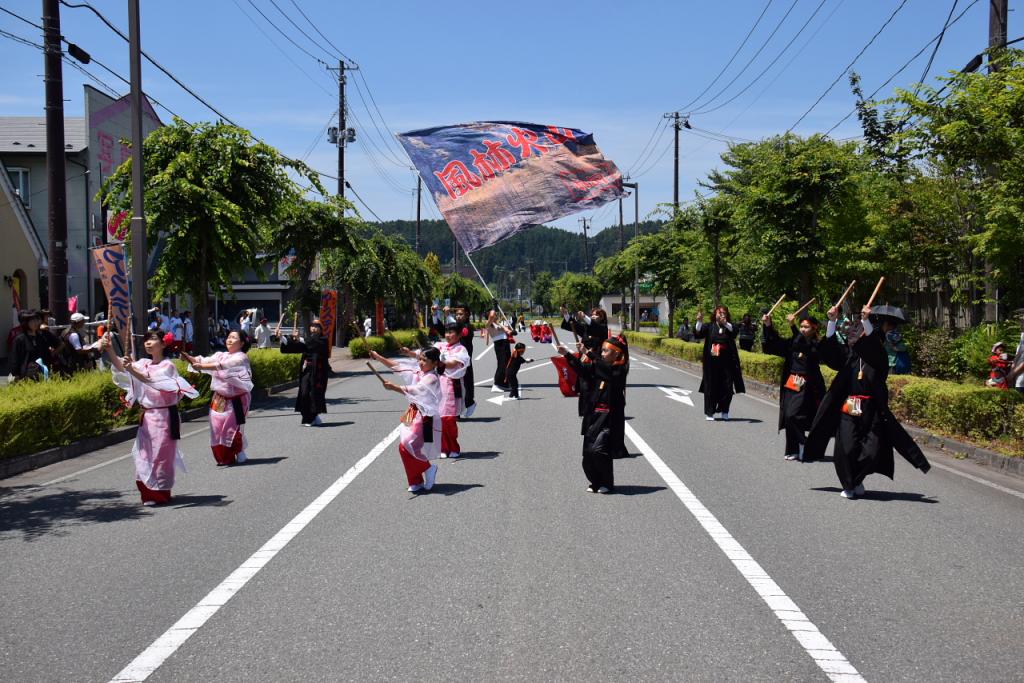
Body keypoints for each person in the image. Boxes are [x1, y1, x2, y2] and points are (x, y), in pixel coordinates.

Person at [805, 304, 931, 499]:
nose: (857, 336)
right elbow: (831, 353)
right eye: (856, 333)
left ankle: (856, 479)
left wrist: (866, 321)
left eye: (862, 333)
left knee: (871, 452)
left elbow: (872, 343)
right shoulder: (849, 356)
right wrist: (832, 322)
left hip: (872, 409)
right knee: (846, 447)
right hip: (850, 406)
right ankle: (849, 484)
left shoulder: (879, 356)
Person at [100, 329, 199, 506]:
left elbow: (152, 380)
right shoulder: (143, 363)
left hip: (165, 416)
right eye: (146, 339)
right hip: (147, 416)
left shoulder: (168, 366)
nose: (148, 342)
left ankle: (160, 492)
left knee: (161, 455)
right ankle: (147, 493)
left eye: (152, 339)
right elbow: (122, 368)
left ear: (163, 343)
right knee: (144, 453)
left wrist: (132, 369)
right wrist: (110, 350)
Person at [557, 335, 629, 493]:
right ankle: (595, 482)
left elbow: (606, 370)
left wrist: (589, 353)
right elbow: (583, 370)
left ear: (617, 353)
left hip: (608, 418)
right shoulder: (599, 367)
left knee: (599, 450)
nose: (602, 353)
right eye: (601, 351)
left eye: (605, 351)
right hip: (593, 416)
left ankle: (607, 483)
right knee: (588, 454)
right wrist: (567, 354)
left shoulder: (619, 370)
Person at [368, 348, 442, 492]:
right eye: (420, 359)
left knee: (407, 444)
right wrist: (378, 357)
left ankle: (428, 468)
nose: (421, 362)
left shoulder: (432, 378)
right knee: (406, 447)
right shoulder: (418, 371)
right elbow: (397, 366)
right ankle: (415, 481)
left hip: (424, 415)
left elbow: (416, 390)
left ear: (434, 363)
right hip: (412, 411)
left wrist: (394, 387)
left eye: (425, 360)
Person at [183, 330, 254, 466]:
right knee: (217, 428)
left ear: (242, 343)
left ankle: (238, 451)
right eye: (229, 337)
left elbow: (222, 366)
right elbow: (203, 360)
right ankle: (224, 457)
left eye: (234, 337)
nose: (229, 339)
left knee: (232, 428)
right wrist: (189, 358)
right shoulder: (220, 355)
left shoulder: (241, 358)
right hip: (219, 398)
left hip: (237, 400)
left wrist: (201, 366)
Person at [762, 312, 826, 461]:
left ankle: (805, 444)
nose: (803, 329)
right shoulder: (793, 341)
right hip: (791, 382)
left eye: (806, 327)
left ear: (814, 329)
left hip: (807, 386)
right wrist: (768, 325)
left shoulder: (817, 344)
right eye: (801, 326)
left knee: (793, 415)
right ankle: (794, 449)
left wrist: (793, 326)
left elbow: (805, 347)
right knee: (788, 416)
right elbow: (776, 343)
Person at [694, 305, 745, 421]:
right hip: (711, 363)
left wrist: (725, 323)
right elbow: (698, 334)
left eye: (724, 313)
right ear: (715, 314)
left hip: (727, 363)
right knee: (710, 387)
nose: (722, 315)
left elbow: (734, 332)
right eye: (719, 313)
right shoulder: (709, 326)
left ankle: (725, 411)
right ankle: (709, 413)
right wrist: (699, 321)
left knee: (727, 387)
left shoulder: (729, 326)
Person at [280, 318, 330, 426]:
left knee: (313, 394)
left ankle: (312, 417)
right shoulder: (307, 340)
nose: (314, 328)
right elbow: (296, 346)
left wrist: (300, 338)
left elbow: (312, 343)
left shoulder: (323, 340)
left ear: (321, 329)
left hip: (318, 372)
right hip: (306, 369)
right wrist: (282, 337)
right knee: (304, 393)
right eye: (312, 326)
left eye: (317, 326)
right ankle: (310, 417)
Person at [447, 305, 477, 417]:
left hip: (464, 361)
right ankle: (457, 411)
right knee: (453, 387)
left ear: (467, 315)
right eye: (457, 314)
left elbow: (462, 331)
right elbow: (443, 329)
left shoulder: (467, 327)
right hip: (453, 359)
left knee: (466, 385)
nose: (458, 316)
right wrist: (435, 315)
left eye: (461, 314)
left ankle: (470, 403)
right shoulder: (455, 327)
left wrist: (448, 315)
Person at [9, 309, 49, 382]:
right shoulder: (19, 339)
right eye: (32, 321)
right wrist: (16, 374)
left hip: (41, 373)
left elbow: (46, 355)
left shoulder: (41, 338)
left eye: (36, 320)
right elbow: (15, 359)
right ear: (26, 323)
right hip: (25, 374)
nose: (35, 323)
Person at [485, 309, 513, 392]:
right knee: (502, 364)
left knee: (507, 364)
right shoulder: (488, 323)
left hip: (505, 343)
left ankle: (504, 383)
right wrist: (494, 308)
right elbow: (491, 316)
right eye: (495, 314)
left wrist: (511, 332)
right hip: (499, 344)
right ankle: (497, 384)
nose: (496, 315)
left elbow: (507, 330)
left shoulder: (498, 323)